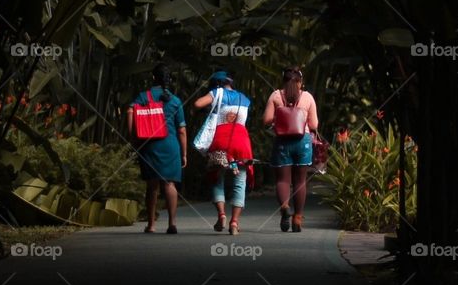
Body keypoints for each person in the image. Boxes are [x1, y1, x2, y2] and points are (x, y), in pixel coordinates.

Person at [127, 63, 187, 234]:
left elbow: (130, 112)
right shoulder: (175, 100)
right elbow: (182, 130)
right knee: (169, 183)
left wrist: (133, 137)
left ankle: (151, 225)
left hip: (149, 144)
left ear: (153, 78)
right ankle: (172, 224)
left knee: (152, 185)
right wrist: (184, 154)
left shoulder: (143, 96)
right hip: (171, 145)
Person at [194, 71, 253, 235]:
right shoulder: (245, 99)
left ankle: (221, 214)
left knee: (216, 178)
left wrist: (211, 106)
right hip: (242, 143)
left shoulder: (216, 92)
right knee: (239, 182)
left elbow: (198, 104)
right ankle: (234, 223)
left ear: (216, 84)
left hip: (221, 141)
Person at [262, 66, 318, 232]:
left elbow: (266, 120)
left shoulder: (276, 95)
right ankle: (298, 219)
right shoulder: (307, 97)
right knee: (300, 181)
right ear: (300, 82)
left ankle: (285, 207)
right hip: (303, 141)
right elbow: (314, 124)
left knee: (282, 180)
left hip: (282, 141)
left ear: (283, 80)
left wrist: (280, 115)